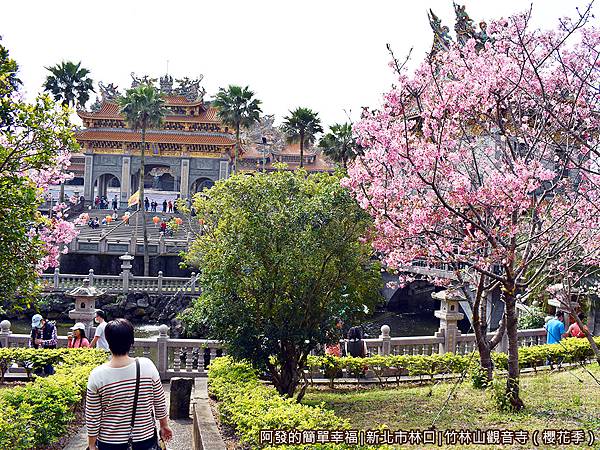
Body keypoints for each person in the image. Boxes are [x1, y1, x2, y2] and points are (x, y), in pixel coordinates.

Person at [86, 318, 173, 450]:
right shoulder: (147, 366)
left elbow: (93, 417)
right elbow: (159, 402)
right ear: (132, 341)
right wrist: (164, 425)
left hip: (109, 442)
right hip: (144, 439)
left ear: (108, 342)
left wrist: (91, 444)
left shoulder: (97, 375)